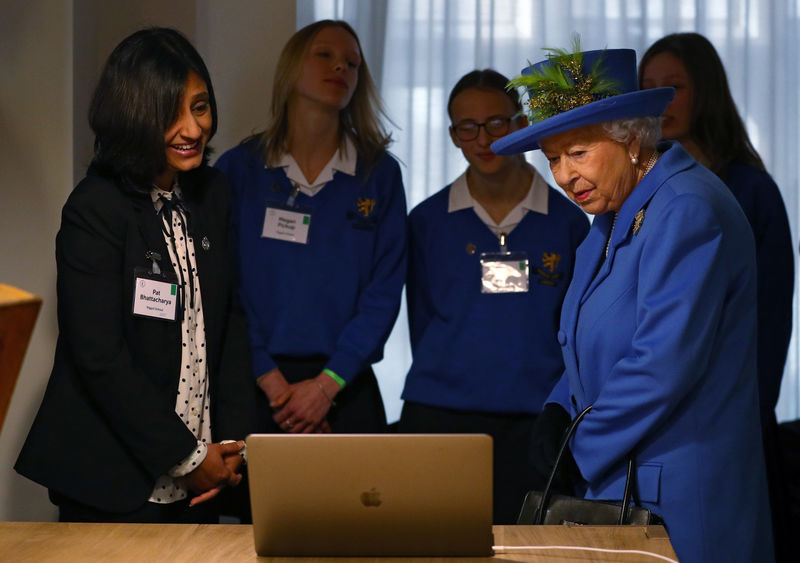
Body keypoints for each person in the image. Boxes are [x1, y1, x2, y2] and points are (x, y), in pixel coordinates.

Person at [491, 45, 774, 562]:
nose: (563, 175)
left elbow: (661, 363)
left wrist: (579, 446)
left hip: (682, 501)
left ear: (634, 137)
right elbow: (584, 338)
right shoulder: (611, 217)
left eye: (578, 153)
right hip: (626, 487)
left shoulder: (686, 209)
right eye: (553, 158)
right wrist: (559, 408)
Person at [14, 28, 255, 523]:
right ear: (132, 114)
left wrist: (229, 448)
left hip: (204, 479)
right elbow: (98, 356)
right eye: (170, 113)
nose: (192, 128)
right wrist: (186, 458)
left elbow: (228, 325)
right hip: (114, 479)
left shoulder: (213, 193)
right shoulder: (95, 207)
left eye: (200, 107)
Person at [397, 69, 589, 524]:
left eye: (497, 123)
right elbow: (420, 319)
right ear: (453, 135)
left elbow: (577, 330)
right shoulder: (427, 221)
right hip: (440, 418)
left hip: (536, 423)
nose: (483, 139)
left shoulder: (568, 222)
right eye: (468, 127)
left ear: (522, 125)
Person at [639, 34, 794, 561]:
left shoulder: (751, 191)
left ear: (706, 92)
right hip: (651, 428)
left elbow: (771, 323)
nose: (660, 100)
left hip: (730, 422)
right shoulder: (637, 194)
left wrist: (744, 417)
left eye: (674, 87)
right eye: (649, 88)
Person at [215, 20, 405, 435]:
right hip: (251, 382)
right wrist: (269, 377)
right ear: (291, 67)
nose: (340, 68)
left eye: (352, 63)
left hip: (344, 386)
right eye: (325, 55)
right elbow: (220, 284)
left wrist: (326, 386)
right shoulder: (237, 169)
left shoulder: (380, 175)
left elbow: (385, 290)